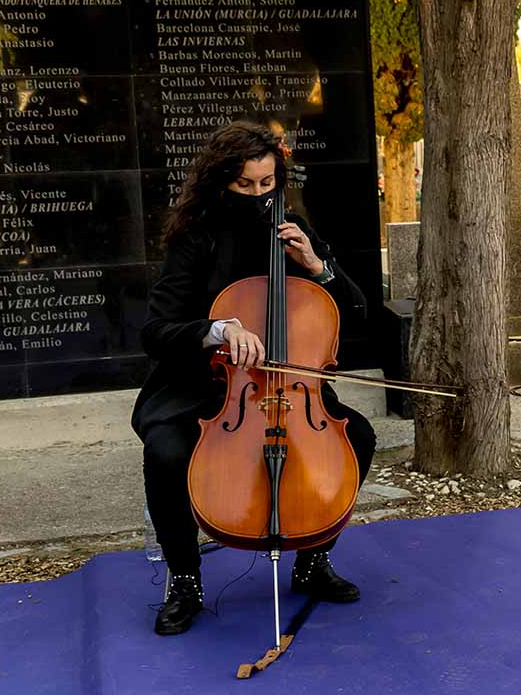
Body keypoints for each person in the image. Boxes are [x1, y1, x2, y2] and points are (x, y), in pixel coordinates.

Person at [131, 121, 376, 636]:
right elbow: (156, 331)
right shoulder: (196, 236)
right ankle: (184, 579)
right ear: (223, 181)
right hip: (206, 390)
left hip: (291, 393)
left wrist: (318, 267)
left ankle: (311, 561)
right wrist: (216, 329)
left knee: (358, 435)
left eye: (268, 184)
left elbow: (355, 314)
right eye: (246, 185)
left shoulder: (294, 230)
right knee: (167, 453)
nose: (259, 195)